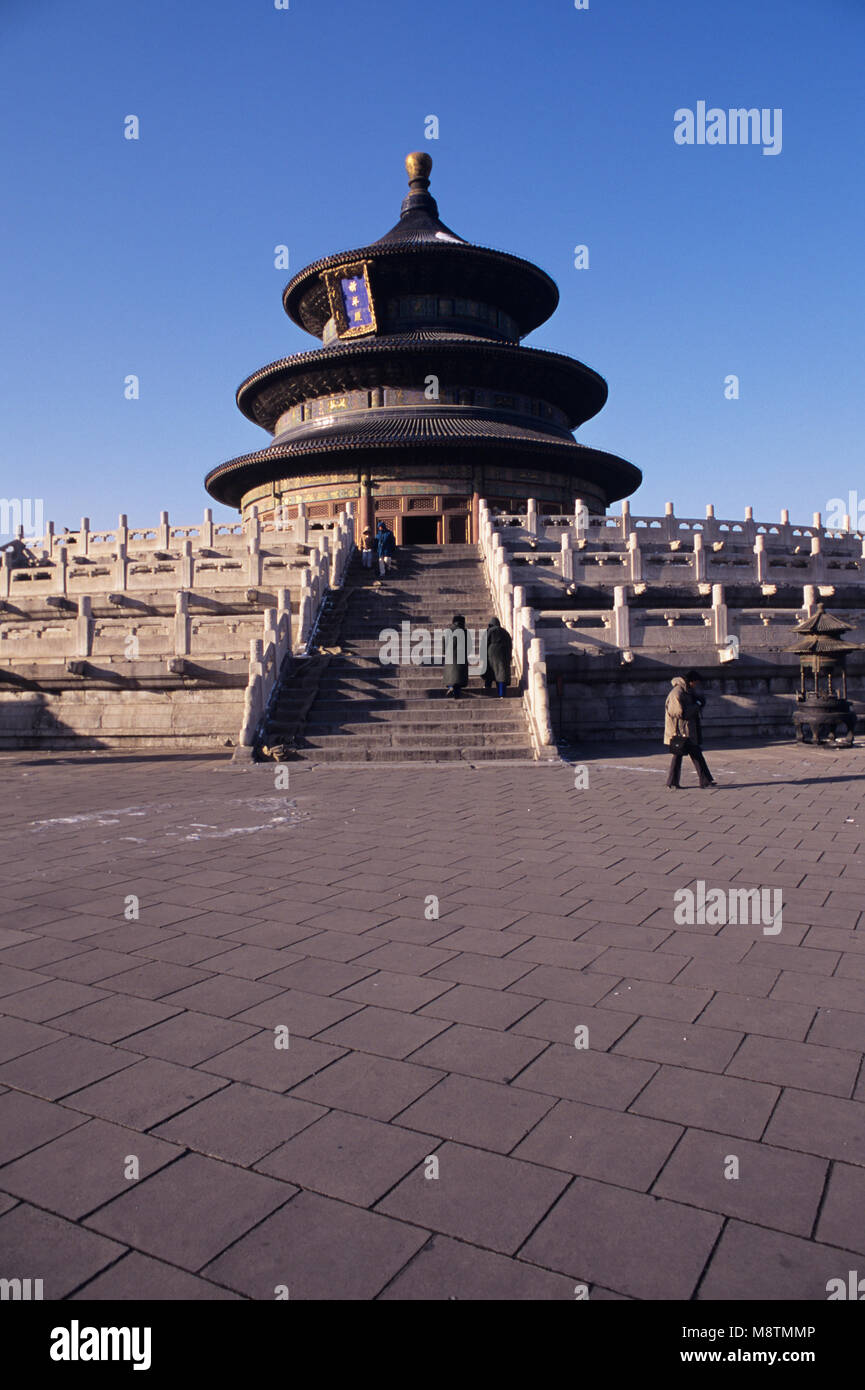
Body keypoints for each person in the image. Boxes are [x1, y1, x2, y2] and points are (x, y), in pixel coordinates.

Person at [664, 670, 716, 789]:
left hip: (688, 731)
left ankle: (705, 781)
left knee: (696, 755)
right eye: (696, 683)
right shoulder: (676, 693)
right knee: (680, 756)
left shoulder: (687, 691)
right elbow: (679, 713)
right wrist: (697, 705)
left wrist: (698, 702)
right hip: (680, 732)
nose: (696, 685)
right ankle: (673, 782)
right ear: (690, 681)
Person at [482, 616, 512, 697]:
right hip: (504, 654)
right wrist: (509, 657)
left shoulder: (489, 631)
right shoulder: (505, 632)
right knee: (501, 675)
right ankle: (502, 694)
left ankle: (487, 690)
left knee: (489, 672)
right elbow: (510, 645)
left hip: (491, 653)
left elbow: (484, 644)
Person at [443, 614, 469, 698]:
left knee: (451, 675)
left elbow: (444, 643)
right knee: (459, 677)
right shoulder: (464, 632)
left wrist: (445, 652)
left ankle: (451, 688)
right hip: (461, 655)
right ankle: (456, 693)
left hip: (450, 656)